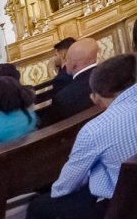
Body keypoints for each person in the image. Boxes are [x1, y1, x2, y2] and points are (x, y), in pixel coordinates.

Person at [27, 54, 137, 218]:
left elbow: (65, 186)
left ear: (97, 95)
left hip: (124, 206)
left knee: (39, 206)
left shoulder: (96, 129)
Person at [41, 38, 98, 126]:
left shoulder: (62, 98)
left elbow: (56, 125)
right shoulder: (112, 74)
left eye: (68, 60)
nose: (66, 64)